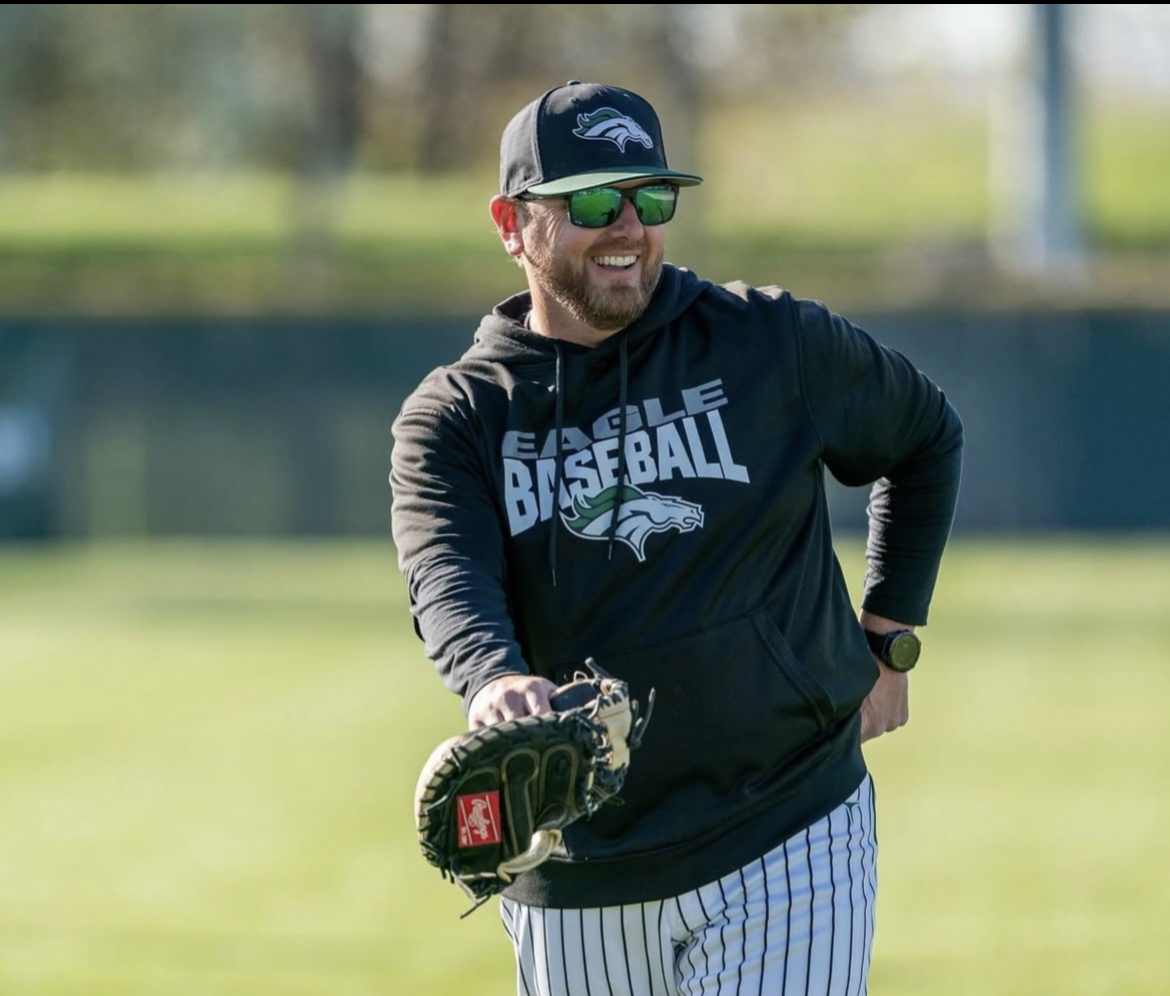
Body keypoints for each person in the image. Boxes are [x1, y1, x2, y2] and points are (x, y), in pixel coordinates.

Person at [390, 80, 963, 996]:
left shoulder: (770, 341)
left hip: (788, 823)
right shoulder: (459, 416)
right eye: (590, 201)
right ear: (511, 222)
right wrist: (493, 676)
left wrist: (890, 634)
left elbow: (925, 435)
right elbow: (445, 571)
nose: (628, 226)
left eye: (650, 197)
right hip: (578, 868)